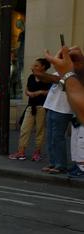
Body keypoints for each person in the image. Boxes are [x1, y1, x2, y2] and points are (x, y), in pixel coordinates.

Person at [43, 46, 84, 174]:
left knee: (58, 137)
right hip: (52, 106)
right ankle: (53, 162)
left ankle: (60, 164)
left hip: (63, 109)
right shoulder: (63, 70)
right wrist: (61, 53)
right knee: (50, 137)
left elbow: (52, 78)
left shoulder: (73, 73)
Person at [9, 58, 52, 161]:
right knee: (24, 129)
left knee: (39, 130)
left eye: (37, 65)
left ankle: (37, 152)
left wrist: (40, 92)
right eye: (34, 65)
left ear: (43, 67)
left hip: (41, 107)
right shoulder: (31, 77)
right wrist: (29, 93)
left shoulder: (47, 78)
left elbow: (50, 92)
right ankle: (21, 151)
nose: (33, 67)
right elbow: (27, 90)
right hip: (30, 106)